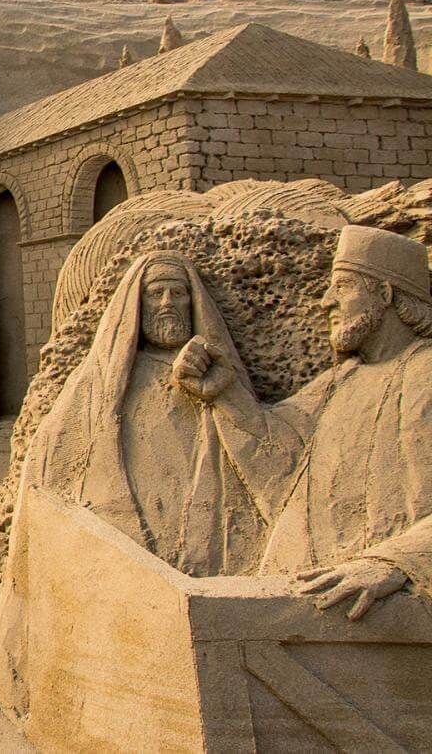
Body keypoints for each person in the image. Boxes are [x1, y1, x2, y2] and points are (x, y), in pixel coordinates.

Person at [179, 225, 432, 620]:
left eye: (343, 287)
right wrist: (224, 393)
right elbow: (279, 459)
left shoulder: (423, 374)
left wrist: (394, 562)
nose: (326, 301)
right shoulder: (342, 380)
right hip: (316, 604)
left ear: (384, 294)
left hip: (384, 612)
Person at [27, 251, 275, 574]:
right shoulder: (104, 382)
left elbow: (264, 451)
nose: (167, 303)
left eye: (178, 293)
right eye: (156, 293)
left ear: (193, 302)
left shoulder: (216, 372)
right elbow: (51, 462)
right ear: (138, 304)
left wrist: (222, 389)